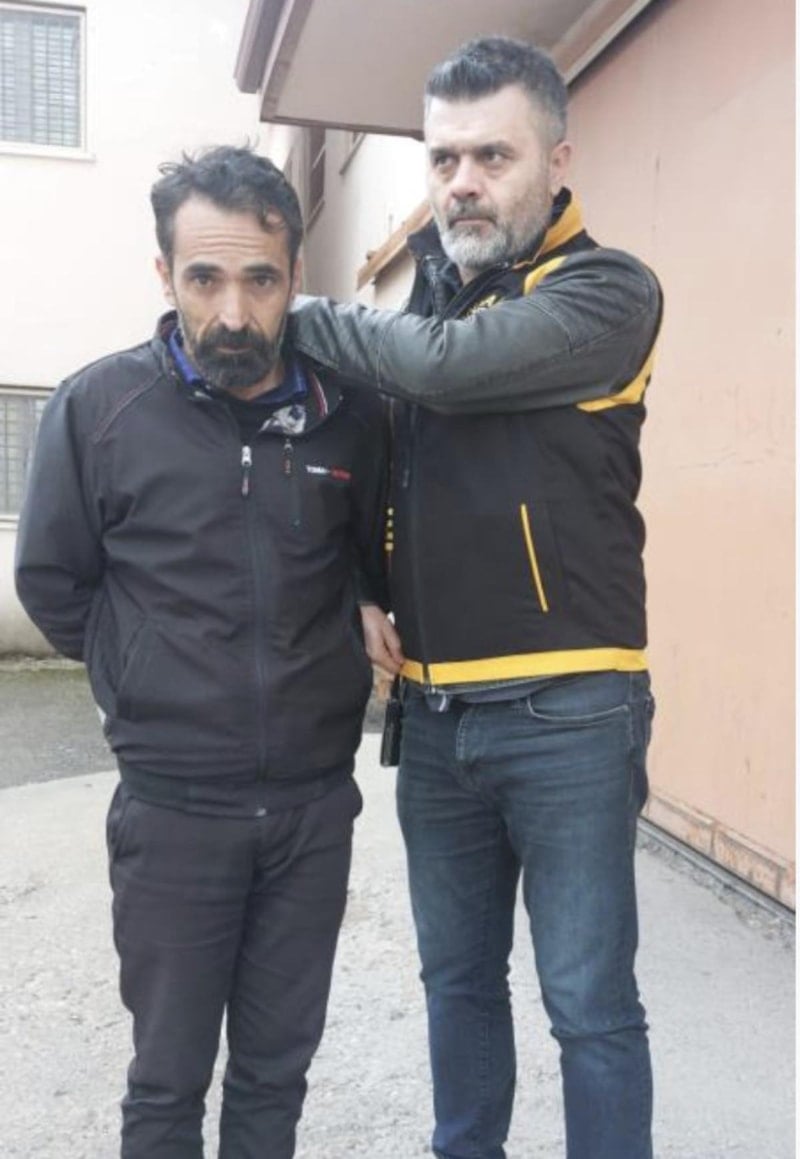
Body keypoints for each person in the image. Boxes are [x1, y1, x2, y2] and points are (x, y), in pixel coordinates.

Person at [289, 36, 663, 1159]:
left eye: (491, 156)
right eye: (443, 157)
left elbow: (446, 371)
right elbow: (385, 468)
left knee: (588, 1003)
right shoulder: (426, 302)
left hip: (571, 711)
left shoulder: (606, 292)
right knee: (455, 981)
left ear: (556, 161)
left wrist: (287, 313)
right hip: (438, 715)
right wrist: (365, 585)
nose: (461, 181)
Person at [14, 145, 389, 1159]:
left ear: (295, 275)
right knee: (166, 1082)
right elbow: (52, 579)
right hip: (173, 812)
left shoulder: (348, 414)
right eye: (204, 278)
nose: (233, 313)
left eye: (259, 280)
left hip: (312, 809)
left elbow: (367, 558)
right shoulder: (99, 410)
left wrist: (360, 604)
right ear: (164, 274)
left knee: (274, 1076)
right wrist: (140, 672)